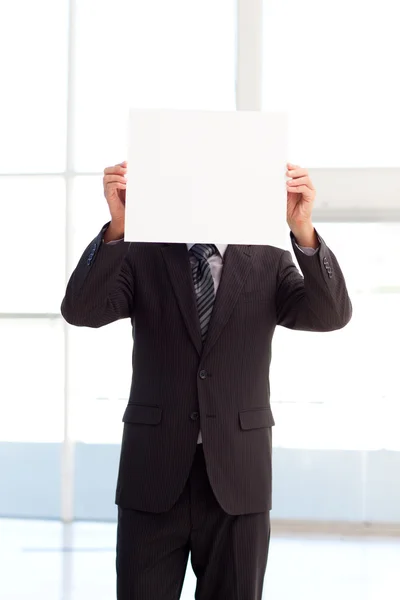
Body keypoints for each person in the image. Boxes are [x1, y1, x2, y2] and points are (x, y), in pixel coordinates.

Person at [61, 160, 352, 600]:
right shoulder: (142, 252)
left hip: (238, 478)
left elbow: (330, 315)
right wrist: (118, 226)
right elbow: (81, 310)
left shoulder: (269, 260)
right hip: (153, 474)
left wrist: (303, 232)